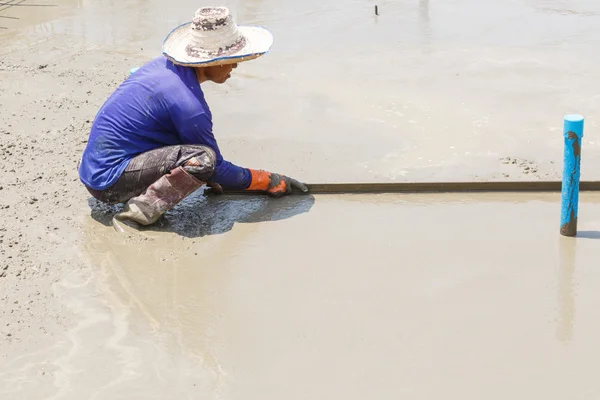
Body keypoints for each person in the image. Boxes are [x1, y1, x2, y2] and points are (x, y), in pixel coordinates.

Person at [77, 6, 307, 227]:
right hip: (108, 183)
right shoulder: (189, 105)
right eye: (230, 60)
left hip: (94, 168)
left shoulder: (159, 67)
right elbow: (213, 165)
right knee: (203, 159)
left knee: (195, 154)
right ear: (211, 60)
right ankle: (137, 214)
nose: (235, 65)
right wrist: (266, 180)